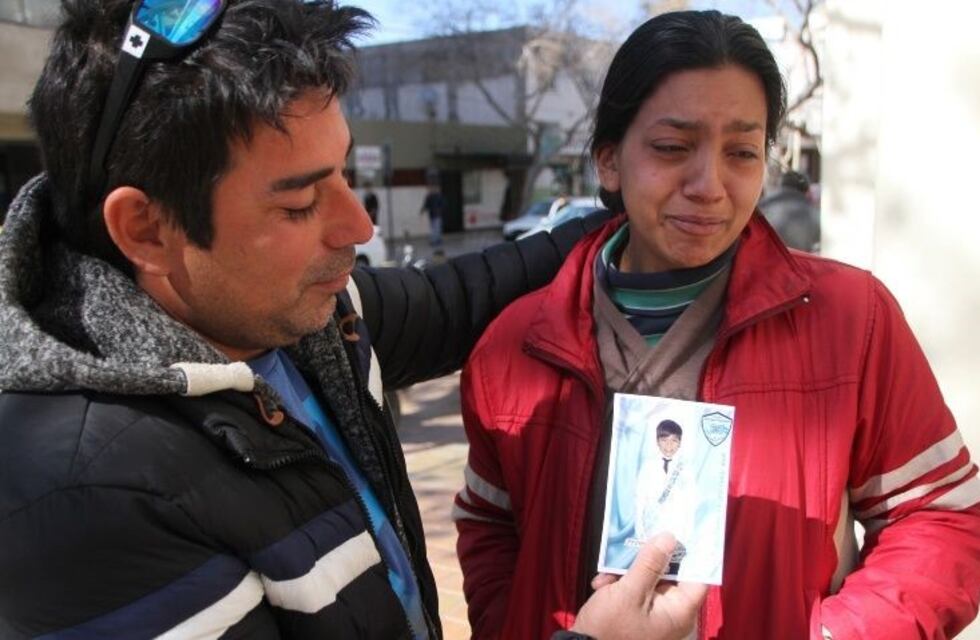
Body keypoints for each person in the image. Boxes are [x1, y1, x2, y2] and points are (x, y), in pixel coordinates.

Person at [0, 1, 701, 638]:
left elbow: (468, 293)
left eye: (344, 175)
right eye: (300, 204)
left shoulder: (306, 322)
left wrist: (642, 201)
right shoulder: (86, 500)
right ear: (147, 231)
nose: (358, 225)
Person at [454, 10, 980, 640]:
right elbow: (490, 526)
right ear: (609, 161)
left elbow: (941, 516)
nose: (709, 185)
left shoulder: (851, 320)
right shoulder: (514, 346)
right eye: (673, 147)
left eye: (741, 152)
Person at [758, 170, 820, 252]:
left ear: (781, 185)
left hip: (761, 260)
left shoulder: (762, 206)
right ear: (807, 191)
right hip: (797, 262)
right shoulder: (813, 213)